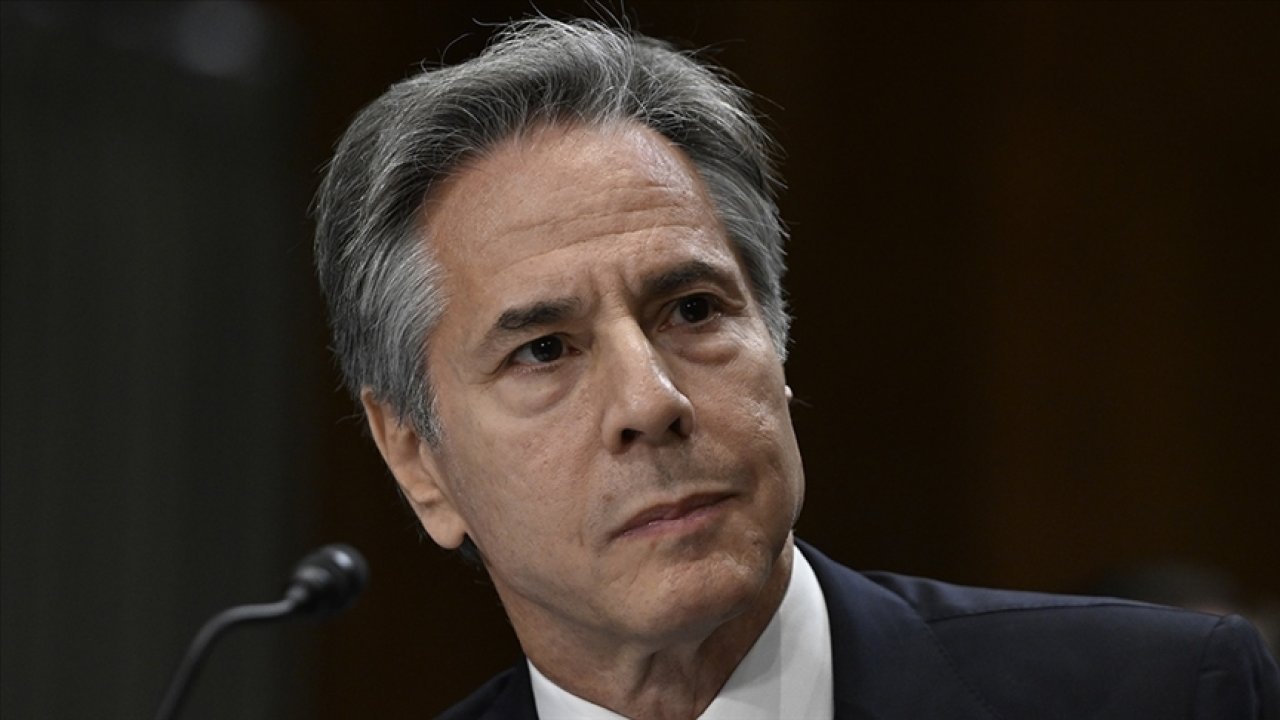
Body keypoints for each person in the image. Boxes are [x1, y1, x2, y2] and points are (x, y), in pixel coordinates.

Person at [312, 16, 1279, 720]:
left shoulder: (1164, 693)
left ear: (776, 340)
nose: (651, 401)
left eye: (694, 310)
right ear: (418, 461)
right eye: (544, 350)